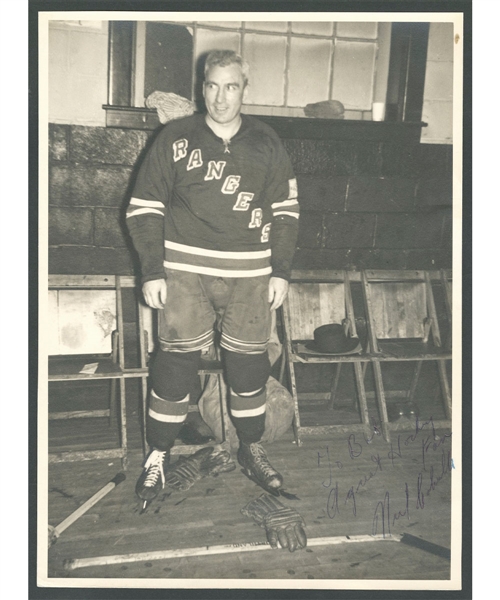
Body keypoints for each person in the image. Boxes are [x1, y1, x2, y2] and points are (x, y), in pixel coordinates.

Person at [126, 49, 300, 506]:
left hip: (250, 273)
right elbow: (144, 207)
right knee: (174, 365)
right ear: (202, 86)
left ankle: (251, 447)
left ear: (245, 88)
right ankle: (157, 456)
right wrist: (152, 270)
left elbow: (285, 211)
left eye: (231, 86)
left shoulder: (267, 140)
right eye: (211, 86)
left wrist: (280, 270)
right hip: (185, 270)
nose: (220, 98)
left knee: (249, 367)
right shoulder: (175, 136)